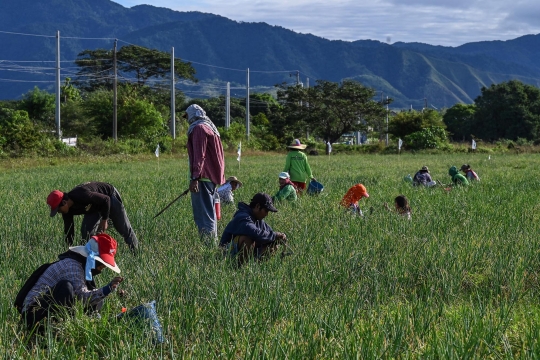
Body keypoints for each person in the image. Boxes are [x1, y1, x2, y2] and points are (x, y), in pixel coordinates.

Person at [15, 234, 123, 332]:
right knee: (66, 289)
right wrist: (107, 289)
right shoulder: (73, 266)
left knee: (97, 298)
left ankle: (94, 322)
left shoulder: (81, 267)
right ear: (93, 260)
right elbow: (82, 297)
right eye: (101, 265)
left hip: (45, 308)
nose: (101, 269)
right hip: (33, 314)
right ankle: (46, 329)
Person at [47, 182, 138, 250]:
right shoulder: (67, 211)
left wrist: (104, 220)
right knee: (86, 232)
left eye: (58, 210)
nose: (59, 212)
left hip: (109, 196)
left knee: (123, 228)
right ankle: (93, 257)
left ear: (64, 202)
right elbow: (69, 230)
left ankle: (136, 253)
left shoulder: (81, 194)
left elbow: (106, 200)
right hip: (93, 207)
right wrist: (68, 249)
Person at [185, 104, 225, 246]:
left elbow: (199, 155)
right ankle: (211, 244)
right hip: (209, 177)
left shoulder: (199, 129)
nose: (187, 120)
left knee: (204, 215)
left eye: (187, 116)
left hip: (202, 177)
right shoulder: (209, 127)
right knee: (209, 213)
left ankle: (209, 247)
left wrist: (195, 178)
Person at [219, 193, 287, 266]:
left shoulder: (259, 220)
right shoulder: (243, 217)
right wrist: (275, 235)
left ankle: (253, 267)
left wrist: (279, 238)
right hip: (225, 252)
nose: (267, 214)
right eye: (266, 211)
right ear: (258, 206)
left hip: (240, 252)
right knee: (247, 239)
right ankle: (240, 268)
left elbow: (270, 233)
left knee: (273, 243)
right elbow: (254, 233)